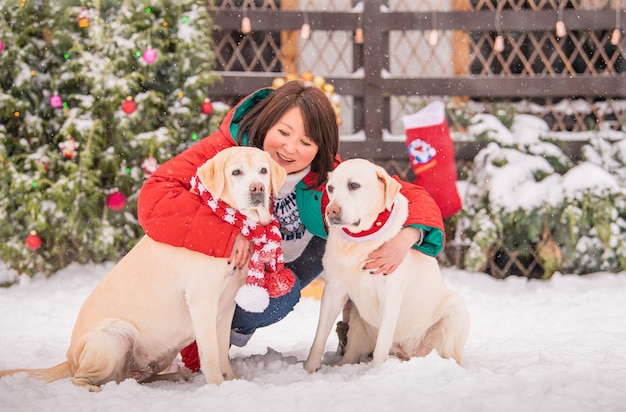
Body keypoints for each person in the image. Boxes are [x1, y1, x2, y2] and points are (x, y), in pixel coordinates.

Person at [136, 80, 446, 372]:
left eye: (306, 142)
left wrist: (408, 235)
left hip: (277, 271)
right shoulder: (227, 152)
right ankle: (197, 335)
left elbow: (406, 194)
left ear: (320, 148)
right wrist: (227, 236)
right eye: (283, 132)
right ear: (267, 122)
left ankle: (349, 328)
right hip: (216, 270)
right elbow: (156, 196)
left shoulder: (325, 177)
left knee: (340, 238)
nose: (290, 148)